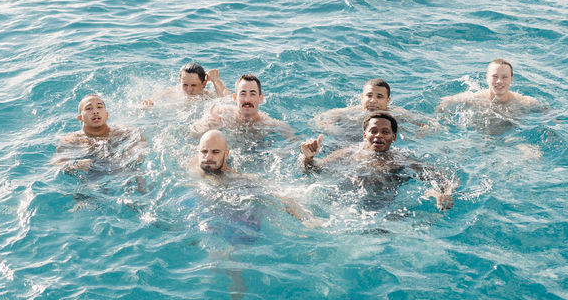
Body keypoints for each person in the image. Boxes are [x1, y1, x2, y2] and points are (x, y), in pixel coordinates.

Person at [300, 111, 454, 211]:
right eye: (373, 131)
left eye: (385, 132)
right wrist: (308, 157)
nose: (378, 135)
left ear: (393, 138)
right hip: (343, 205)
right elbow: (313, 170)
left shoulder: (402, 160)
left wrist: (444, 194)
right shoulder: (347, 153)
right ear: (364, 135)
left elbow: (442, 177)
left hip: (385, 208)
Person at [189, 130, 321, 227]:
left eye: (215, 152)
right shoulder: (191, 167)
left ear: (226, 154)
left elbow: (280, 195)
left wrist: (305, 218)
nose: (208, 157)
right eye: (204, 151)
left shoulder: (239, 179)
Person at [52, 94, 146, 174]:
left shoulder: (120, 131)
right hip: (92, 173)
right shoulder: (72, 139)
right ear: (80, 118)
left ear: (106, 115)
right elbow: (57, 162)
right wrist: (76, 165)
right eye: (89, 108)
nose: (95, 111)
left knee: (139, 178)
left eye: (99, 107)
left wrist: (134, 152)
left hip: (120, 167)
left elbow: (141, 140)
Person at [314, 78, 429, 141]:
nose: (373, 100)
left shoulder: (396, 113)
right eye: (369, 96)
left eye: (379, 97)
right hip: (346, 141)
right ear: (362, 97)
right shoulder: (350, 111)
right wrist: (333, 130)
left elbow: (428, 123)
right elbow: (320, 119)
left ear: (388, 100)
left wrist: (420, 134)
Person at [191, 74, 294, 137]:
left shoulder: (269, 124)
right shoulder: (221, 114)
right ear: (235, 98)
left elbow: (293, 141)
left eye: (252, 94)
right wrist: (206, 127)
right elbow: (192, 134)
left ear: (260, 99)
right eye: (243, 93)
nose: (247, 99)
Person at [436, 59, 542, 113]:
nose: (499, 81)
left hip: (511, 137)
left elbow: (549, 115)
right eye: (495, 76)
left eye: (504, 77)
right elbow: (444, 104)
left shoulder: (524, 102)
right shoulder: (474, 98)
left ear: (511, 79)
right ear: (487, 78)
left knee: (533, 154)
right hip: (478, 138)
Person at [143, 63, 230, 106]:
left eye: (193, 85)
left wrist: (215, 81)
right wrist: (149, 101)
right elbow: (156, 96)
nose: (189, 89)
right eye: (185, 85)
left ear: (203, 84)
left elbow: (227, 102)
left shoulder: (209, 96)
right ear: (179, 81)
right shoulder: (172, 92)